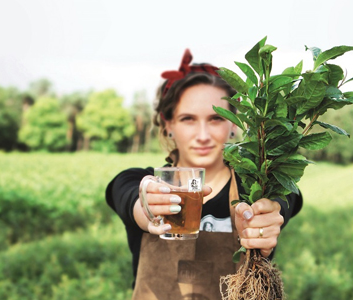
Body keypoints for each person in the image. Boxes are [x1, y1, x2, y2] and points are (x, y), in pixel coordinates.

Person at [106, 49, 302, 300]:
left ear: (234, 123)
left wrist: (269, 215)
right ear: (168, 124)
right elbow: (128, 195)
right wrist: (146, 206)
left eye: (215, 119)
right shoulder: (135, 181)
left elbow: (284, 201)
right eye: (188, 119)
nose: (202, 135)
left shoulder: (258, 188)